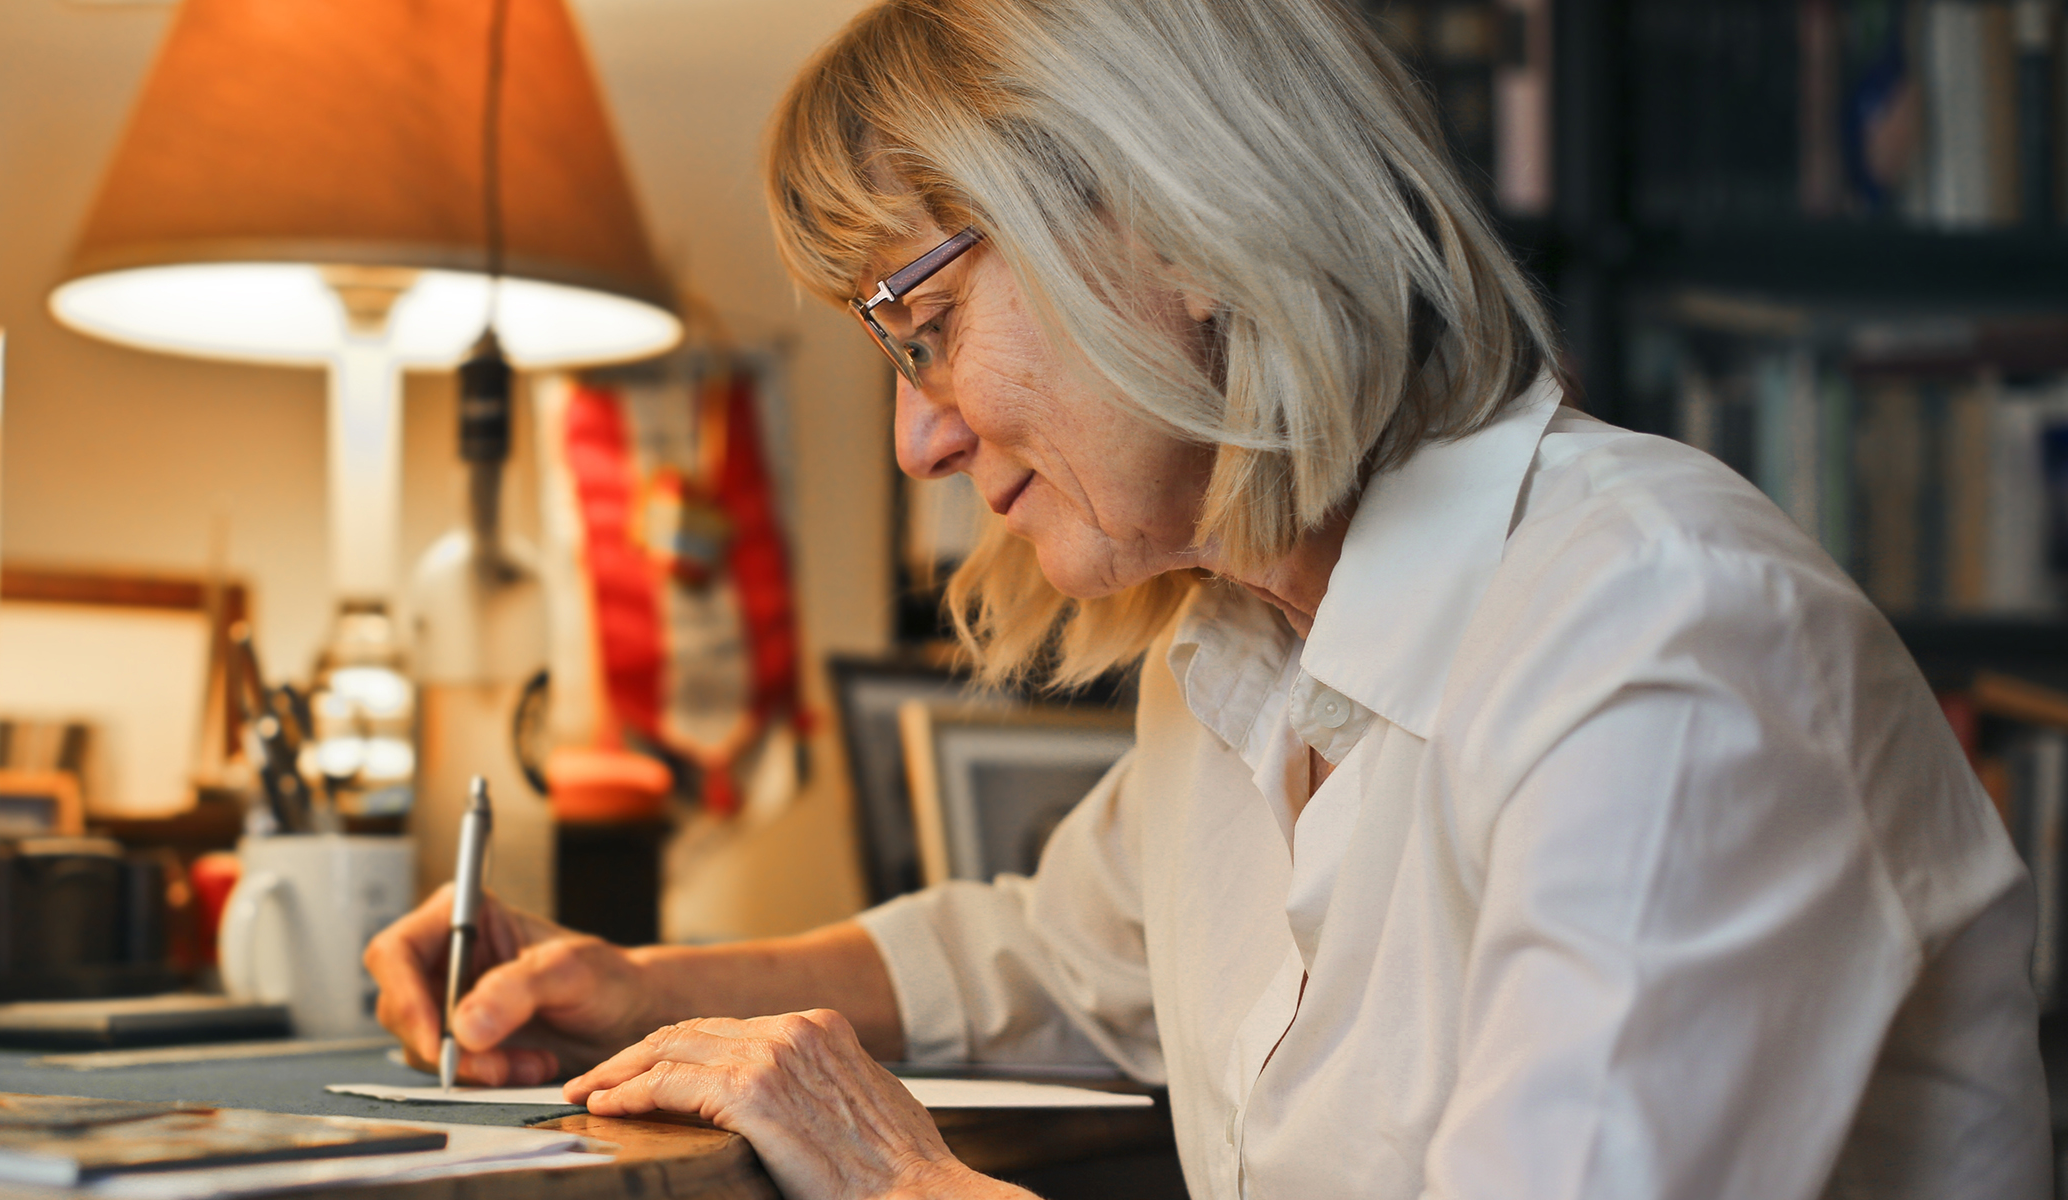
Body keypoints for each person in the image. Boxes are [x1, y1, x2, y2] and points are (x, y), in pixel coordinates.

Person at [365, 0, 2050, 1195]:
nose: (915, 440)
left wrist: (898, 1185)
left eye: (921, 323)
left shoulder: (1664, 649)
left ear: (1176, 226)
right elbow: (1049, 949)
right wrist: (643, 986)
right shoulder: (1238, 658)